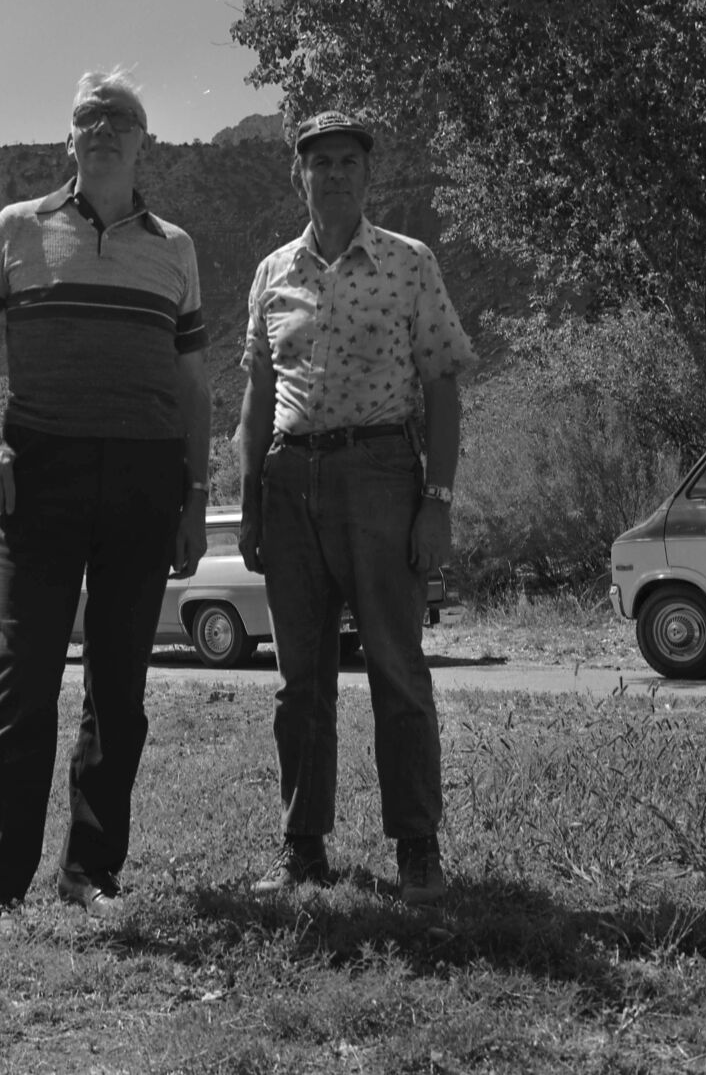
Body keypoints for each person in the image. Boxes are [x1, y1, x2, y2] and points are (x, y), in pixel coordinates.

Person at [0, 69, 211, 927]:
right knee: (25, 679)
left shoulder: (175, 245)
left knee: (120, 686)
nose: (103, 128)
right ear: (69, 138)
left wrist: (196, 496)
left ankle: (89, 870)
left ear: (143, 141)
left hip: (143, 473)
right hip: (40, 470)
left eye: (119, 118)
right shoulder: (17, 229)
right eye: (88, 117)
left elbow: (193, 383)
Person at [237, 109, 477, 905]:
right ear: (296, 175)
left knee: (395, 667)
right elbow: (257, 390)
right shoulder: (272, 272)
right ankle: (302, 848)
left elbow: (442, 383)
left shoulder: (410, 263)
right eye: (318, 161)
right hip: (288, 480)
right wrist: (247, 497)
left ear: (368, 174)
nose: (333, 173)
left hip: (381, 473)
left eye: (347, 160)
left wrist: (435, 501)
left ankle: (417, 849)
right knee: (298, 678)